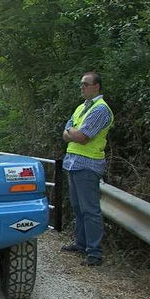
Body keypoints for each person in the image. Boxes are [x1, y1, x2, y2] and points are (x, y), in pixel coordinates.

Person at [61, 71, 114, 266]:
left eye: (86, 84)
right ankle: (81, 243)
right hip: (74, 163)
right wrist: (72, 132)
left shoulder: (100, 109)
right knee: (77, 207)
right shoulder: (81, 108)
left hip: (88, 164)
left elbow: (83, 137)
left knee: (90, 210)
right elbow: (66, 132)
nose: (82, 87)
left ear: (96, 86)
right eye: (81, 84)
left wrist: (72, 132)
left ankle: (94, 253)